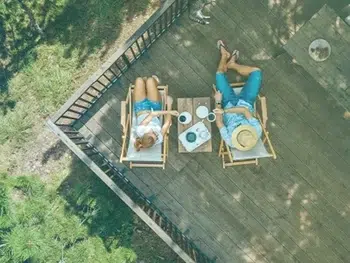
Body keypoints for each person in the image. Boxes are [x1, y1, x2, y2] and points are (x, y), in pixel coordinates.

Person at [213, 40, 262, 151]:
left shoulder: (231, 141)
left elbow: (219, 122)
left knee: (219, 75)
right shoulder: (256, 131)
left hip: (226, 103)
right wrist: (224, 112)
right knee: (257, 72)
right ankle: (233, 65)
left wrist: (219, 102)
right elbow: (244, 111)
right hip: (246, 102)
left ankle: (224, 56)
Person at [133, 76, 179, 151]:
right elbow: (167, 123)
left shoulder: (140, 130)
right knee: (150, 80)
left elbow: (152, 114)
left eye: (152, 133)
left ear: (144, 134)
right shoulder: (159, 139)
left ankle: (145, 86)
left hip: (141, 107)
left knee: (139, 80)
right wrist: (169, 105)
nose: (155, 133)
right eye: (156, 136)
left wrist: (169, 112)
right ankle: (153, 83)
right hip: (154, 107)